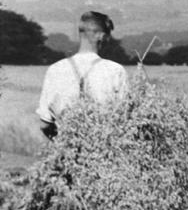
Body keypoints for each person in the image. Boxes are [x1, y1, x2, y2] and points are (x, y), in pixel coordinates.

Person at [36, 11, 130, 139]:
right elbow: (124, 119)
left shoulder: (55, 70)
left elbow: (44, 124)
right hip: (104, 151)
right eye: (108, 36)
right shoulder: (116, 71)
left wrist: (63, 144)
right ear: (101, 36)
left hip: (66, 151)